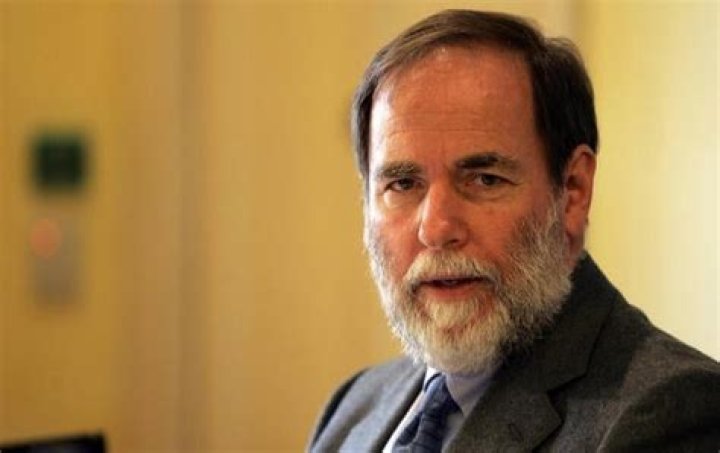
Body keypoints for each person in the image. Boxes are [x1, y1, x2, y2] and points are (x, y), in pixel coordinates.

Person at [308, 9, 720, 452]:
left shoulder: (671, 410)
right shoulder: (354, 405)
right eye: (403, 184)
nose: (437, 228)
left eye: (485, 179)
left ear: (573, 191)